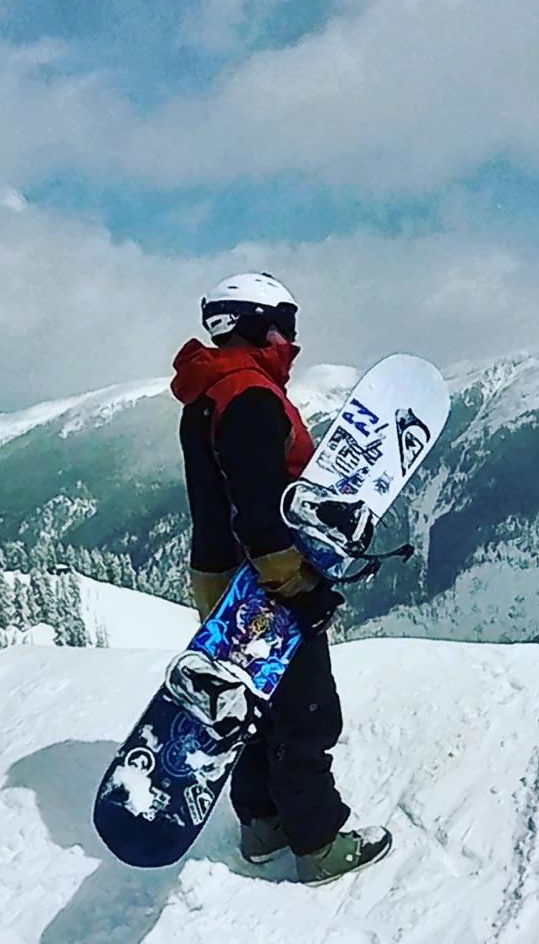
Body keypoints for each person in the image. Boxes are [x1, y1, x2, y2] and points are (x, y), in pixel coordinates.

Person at [168, 272, 392, 885]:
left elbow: (224, 499)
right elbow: (259, 509)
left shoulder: (207, 391)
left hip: (224, 579)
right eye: (285, 325)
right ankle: (317, 843)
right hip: (265, 584)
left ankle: (263, 822)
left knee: (258, 704)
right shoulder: (250, 396)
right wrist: (300, 587)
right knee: (305, 711)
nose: (291, 340)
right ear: (259, 326)